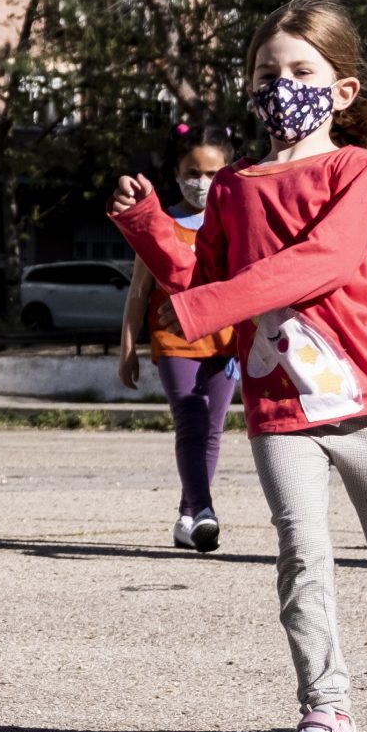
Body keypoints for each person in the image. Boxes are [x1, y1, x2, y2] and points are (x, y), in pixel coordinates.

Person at [109, 0, 367, 732]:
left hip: (364, 398)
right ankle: (327, 714)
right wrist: (149, 228)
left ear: (341, 90)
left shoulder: (354, 168)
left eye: (302, 71)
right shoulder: (232, 186)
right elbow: (201, 272)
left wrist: (204, 307)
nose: (283, 84)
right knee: (302, 559)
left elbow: (322, 262)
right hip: (278, 407)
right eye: (269, 72)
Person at [117, 127, 239, 552]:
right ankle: (203, 510)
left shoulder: (234, 223)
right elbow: (138, 291)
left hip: (225, 344)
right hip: (174, 342)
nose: (201, 182)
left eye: (212, 173)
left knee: (213, 430)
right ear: (176, 172)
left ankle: (188, 516)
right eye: (192, 172)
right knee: (191, 420)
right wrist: (128, 348)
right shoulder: (160, 223)